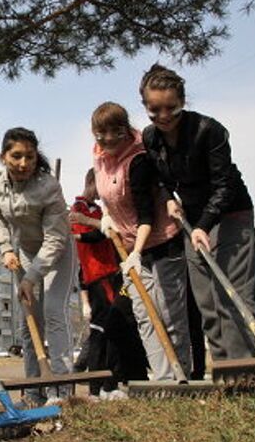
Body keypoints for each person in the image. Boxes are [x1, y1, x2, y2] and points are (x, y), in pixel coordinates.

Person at [140, 63, 255, 361]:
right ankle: (223, 373)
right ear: (145, 105)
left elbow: (224, 184)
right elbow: (160, 177)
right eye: (155, 109)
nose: (164, 116)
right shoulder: (151, 136)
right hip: (192, 220)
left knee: (230, 295)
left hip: (230, 213)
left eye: (171, 107)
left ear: (182, 101)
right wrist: (168, 198)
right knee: (206, 300)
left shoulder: (208, 130)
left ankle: (245, 374)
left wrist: (205, 224)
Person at [92, 102, 191, 380]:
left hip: (160, 241)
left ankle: (181, 377)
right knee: (144, 316)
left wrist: (136, 252)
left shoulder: (138, 159)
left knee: (169, 316)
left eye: (115, 131)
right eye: (101, 132)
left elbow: (147, 214)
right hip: (128, 245)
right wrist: (107, 215)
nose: (108, 138)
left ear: (126, 129)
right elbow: (107, 194)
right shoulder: (99, 156)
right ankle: (162, 380)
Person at [0, 127, 74, 406]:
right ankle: (34, 392)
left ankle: (60, 390)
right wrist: (5, 248)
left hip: (57, 253)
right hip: (24, 251)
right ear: (3, 156)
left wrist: (33, 277)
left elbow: (55, 239)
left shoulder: (48, 186)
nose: (23, 164)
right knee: (29, 322)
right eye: (16, 156)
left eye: (30, 157)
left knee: (52, 313)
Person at [70, 168, 148, 400]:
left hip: (113, 272)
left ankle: (116, 381)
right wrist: (92, 223)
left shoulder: (99, 210)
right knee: (101, 331)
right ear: (93, 182)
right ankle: (100, 387)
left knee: (119, 326)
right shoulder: (80, 208)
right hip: (98, 274)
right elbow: (93, 236)